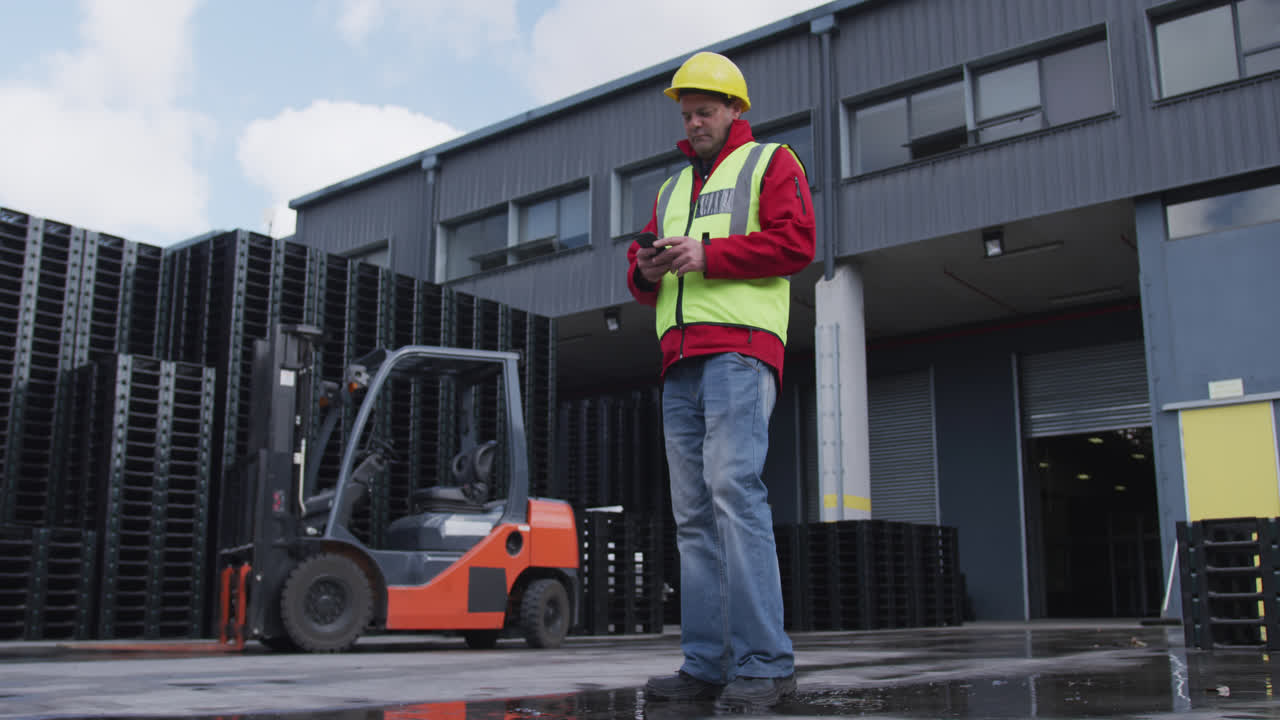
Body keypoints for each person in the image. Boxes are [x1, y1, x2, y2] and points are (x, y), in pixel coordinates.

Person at [626, 51, 815, 707]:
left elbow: (797, 243)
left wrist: (709, 255)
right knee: (693, 518)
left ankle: (767, 662)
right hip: (678, 362)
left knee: (734, 495)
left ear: (735, 110)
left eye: (705, 110)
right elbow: (643, 273)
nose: (695, 121)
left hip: (738, 351)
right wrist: (645, 269)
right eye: (688, 113)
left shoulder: (772, 162)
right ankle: (705, 664)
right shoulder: (670, 189)